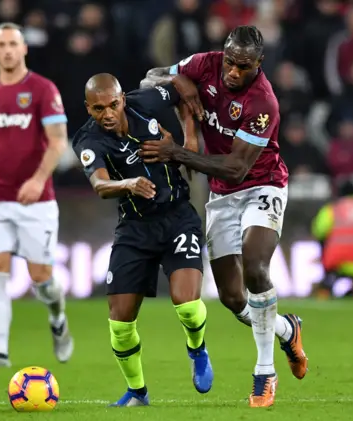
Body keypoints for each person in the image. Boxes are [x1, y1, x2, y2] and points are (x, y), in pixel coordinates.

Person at [140, 25, 307, 407]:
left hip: (261, 184)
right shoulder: (205, 64)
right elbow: (149, 79)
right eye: (230, 62)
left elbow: (235, 169)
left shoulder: (263, 102)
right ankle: (286, 329)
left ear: (259, 65)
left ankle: (264, 373)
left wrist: (176, 152)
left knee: (255, 266)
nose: (232, 72)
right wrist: (178, 82)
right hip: (222, 197)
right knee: (233, 298)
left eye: (243, 66)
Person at [72, 73, 212, 407]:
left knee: (188, 306)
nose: (107, 113)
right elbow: (99, 185)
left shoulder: (146, 101)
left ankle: (198, 350)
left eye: (113, 104)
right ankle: (138, 392)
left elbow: (181, 87)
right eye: (98, 108)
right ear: (88, 108)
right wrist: (128, 184)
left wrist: (189, 141)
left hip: (178, 216)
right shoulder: (88, 142)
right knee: (119, 322)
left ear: (122, 98)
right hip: (135, 228)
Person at [0, 22, 74, 369]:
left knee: (41, 279)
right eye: (2, 44)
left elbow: (57, 142)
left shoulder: (42, 90)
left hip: (35, 201)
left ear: (24, 49)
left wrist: (39, 179)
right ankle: (0, 354)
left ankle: (57, 316)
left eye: (14, 43)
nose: (8, 49)